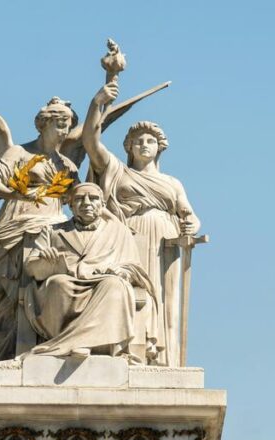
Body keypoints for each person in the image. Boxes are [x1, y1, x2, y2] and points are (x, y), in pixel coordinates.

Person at [82, 81, 201, 365]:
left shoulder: (172, 183)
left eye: (150, 141)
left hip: (167, 240)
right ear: (129, 147)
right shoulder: (117, 171)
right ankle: (129, 350)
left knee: (166, 299)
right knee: (135, 294)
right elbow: (90, 142)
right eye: (138, 141)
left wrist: (191, 226)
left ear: (160, 147)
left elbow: (190, 214)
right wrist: (96, 104)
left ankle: (163, 358)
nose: (144, 145)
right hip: (131, 237)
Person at [0, 98, 80, 362]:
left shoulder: (67, 165)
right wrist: (14, 194)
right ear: (43, 124)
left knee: (36, 287)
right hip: (15, 222)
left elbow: (80, 197)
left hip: (51, 225)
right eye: (60, 124)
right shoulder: (19, 153)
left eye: (68, 125)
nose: (64, 131)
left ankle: (30, 346)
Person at [24, 182, 154, 360]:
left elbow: (134, 267)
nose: (86, 202)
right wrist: (43, 262)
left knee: (115, 285)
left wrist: (121, 271)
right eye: (79, 199)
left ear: (102, 204)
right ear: (70, 205)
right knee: (58, 283)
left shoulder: (119, 232)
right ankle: (71, 341)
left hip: (102, 281)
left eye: (93, 198)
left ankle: (80, 343)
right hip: (65, 282)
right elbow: (31, 268)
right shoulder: (52, 231)